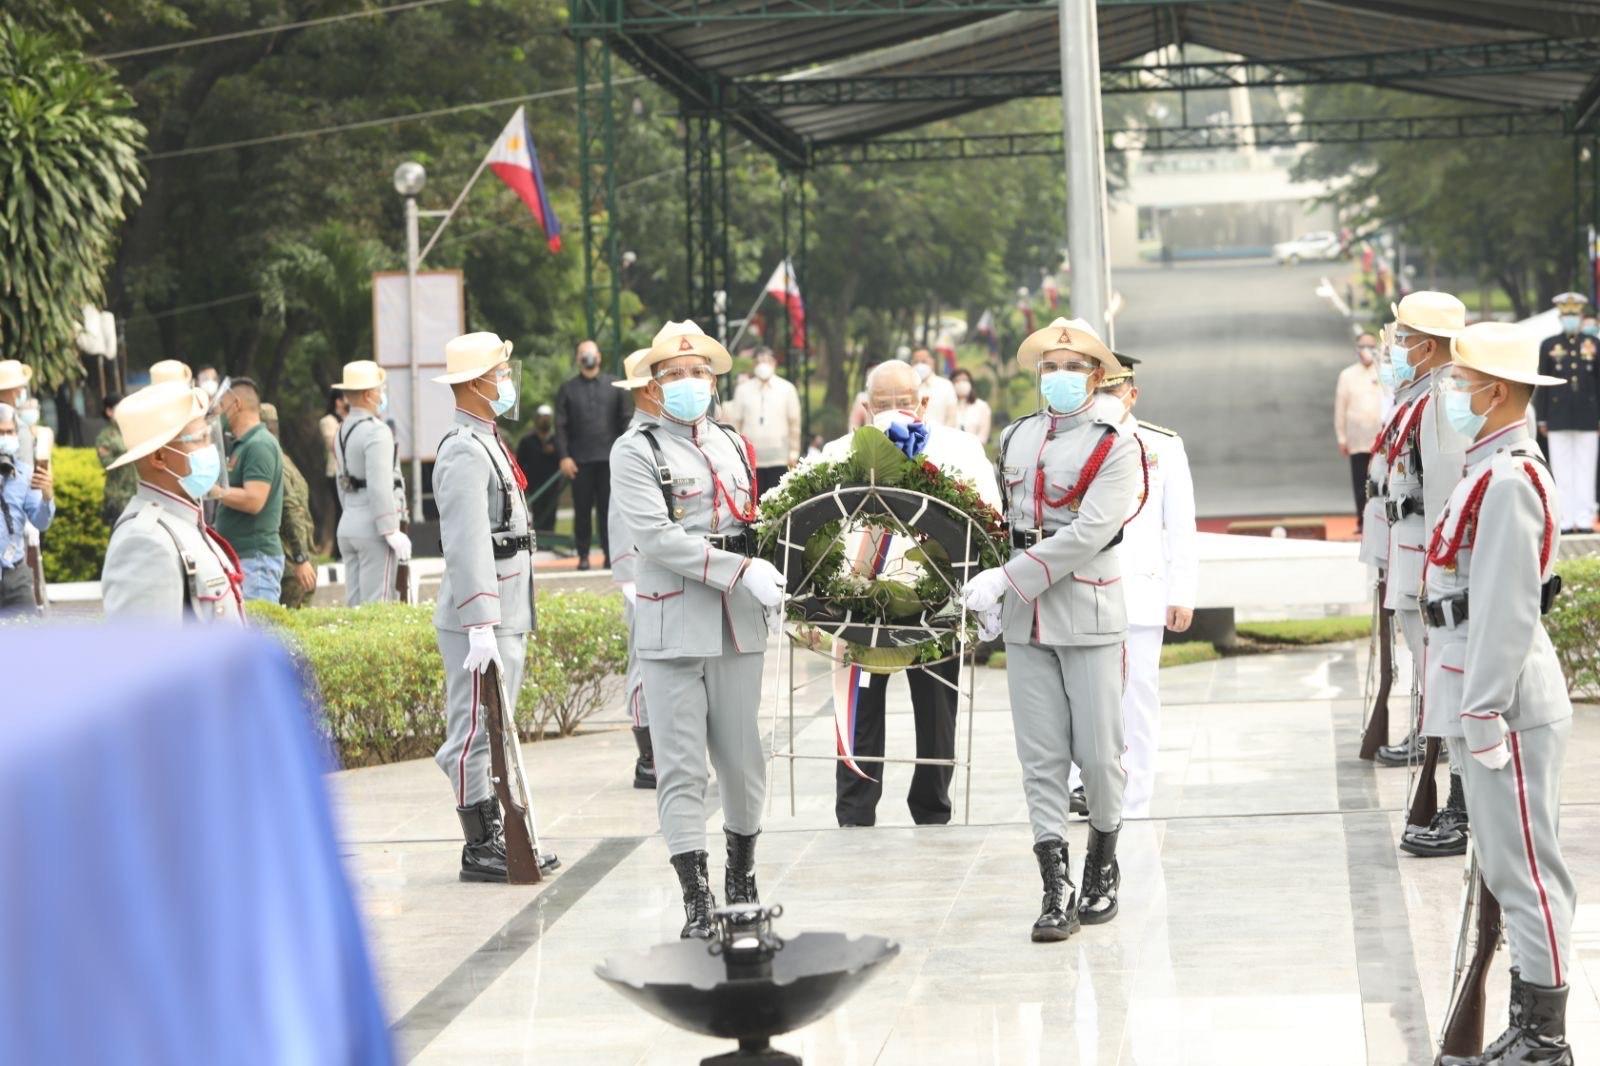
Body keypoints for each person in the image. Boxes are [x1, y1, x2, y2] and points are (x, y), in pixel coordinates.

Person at [960, 317, 1143, 942]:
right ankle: (1054, 886)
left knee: (1098, 754)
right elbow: (1006, 522)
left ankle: (1102, 863)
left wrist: (1008, 580)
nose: (1059, 377)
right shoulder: (1017, 436)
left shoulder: (1115, 442)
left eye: (1072, 367)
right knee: (1039, 758)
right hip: (1026, 621)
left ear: (1096, 375)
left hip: (1087, 610)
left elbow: (1091, 532)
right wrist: (985, 583)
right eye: (1049, 366)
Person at [1426, 322, 1575, 1066]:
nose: (1452, 392)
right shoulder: (1486, 467)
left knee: (1527, 871)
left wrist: (1481, 706)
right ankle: (1528, 1022)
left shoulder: (1508, 478)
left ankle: (1545, 1038)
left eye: (1462, 381)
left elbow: (1508, 607)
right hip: (1484, 688)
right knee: (1507, 865)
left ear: (1497, 390)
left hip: (1506, 698)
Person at [609, 320, 785, 939]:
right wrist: (741, 571)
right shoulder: (636, 451)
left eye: (698, 373)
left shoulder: (734, 444)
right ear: (653, 387)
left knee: (743, 761)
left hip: (738, 625)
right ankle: (695, 897)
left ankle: (742, 880)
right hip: (675, 620)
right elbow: (656, 538)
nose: (688, 383)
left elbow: (752, 520)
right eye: (674, 374)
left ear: (714, 381)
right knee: (682, 768)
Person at [814, 360, 1001, 827]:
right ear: (864, 407)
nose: (895, 411)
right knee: (860, 713)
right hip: (861, 607)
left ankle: (932, 805)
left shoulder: (961, 449)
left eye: (904, 402)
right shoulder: (838, 453)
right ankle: (855, 808)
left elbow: (989, 521)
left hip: (935, 608)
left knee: (938, 714)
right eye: (883, 404)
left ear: (923, 402)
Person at [431, 332, 556, 882]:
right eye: (501, 373)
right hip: (478, 616)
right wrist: (481, 621)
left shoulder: (486, 439)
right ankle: (479, 843)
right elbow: (466, 542)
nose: (508, 382)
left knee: (495, 726)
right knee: (473, 732)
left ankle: (496, 835)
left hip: (503, 608)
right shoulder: (462, 447)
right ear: (478, 383)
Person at [1067, 354, 1196, 820]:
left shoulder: (1162, 446)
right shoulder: (1070, 442)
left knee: (1137, 697)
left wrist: (1182, 591)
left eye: (1111, 393)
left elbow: (1180, 525)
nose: (1102, 402)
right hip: (1081, 588)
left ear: (1131, 394)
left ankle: (1135, 796)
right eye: (1095, 393)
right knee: (1079, 694)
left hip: (1140, 590)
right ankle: (1083, 784)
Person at [1383, 292, 1471, 859]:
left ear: (1429, 345)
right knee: (1441, 688)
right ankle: (1459, 804)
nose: (1395, 346)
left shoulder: (1443, 398)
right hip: (1416, 562)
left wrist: (1435, 572)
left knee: (1453, 692)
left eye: (1403, 337)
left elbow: (1442, 493)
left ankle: (1461, 810)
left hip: (1431, 568)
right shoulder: (1424, 395)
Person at [99, 382, 243, 623]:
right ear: (158, 457)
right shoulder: (145, 542)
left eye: (209, 437)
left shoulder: (184, 521)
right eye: (198, 440)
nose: (209, 450)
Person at [607, 349, 659, 790]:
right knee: (642, 664)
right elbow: (619, 514)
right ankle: (648, 756)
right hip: (642, 570)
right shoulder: (632, 443)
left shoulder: (664, 437)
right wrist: (625, 573)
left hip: (662, 569)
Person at [331, 361, 408, 606]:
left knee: (354, 607)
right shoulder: (377, 431)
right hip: (374, 526)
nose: (382, 394)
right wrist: (390, 529)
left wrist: (352, 510)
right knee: (379, 606)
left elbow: (341, 481)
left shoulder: (341, 430)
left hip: (349, 521)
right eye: (379, 389)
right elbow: (379, 485)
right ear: (368, 394)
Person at [555, 339, 630, 570]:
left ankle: (611, 556)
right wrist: (564, 456)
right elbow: (560, 426)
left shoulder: (616, 385)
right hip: (580, 461)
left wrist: (625, 454)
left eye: (591, 352)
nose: (588, 356)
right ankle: (584, 556)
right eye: (582, 353)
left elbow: (626, 420)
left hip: (610, 460)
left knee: (611, 512)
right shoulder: (567, 389)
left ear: (599, 357)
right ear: (578, 359)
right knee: (582, 511)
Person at [212, 379, 286, 603]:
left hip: (256, 560)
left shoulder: (259, 444)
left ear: (237, 404)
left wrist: (215, 491)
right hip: (242, 558)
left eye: (222, 405)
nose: (218, 412)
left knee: (257, 632)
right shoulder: (242, 444)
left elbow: (255, 501)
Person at [1535, 292, 1599, 534]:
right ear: (1561, 316)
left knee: (1586, 467)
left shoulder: (1593, 344)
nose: (1571, 318)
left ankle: (1583, 519)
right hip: (1557, 415)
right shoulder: (1549, 344)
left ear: (1581, 316)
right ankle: (1563, 519)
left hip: (1588, 415)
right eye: (1567, 315)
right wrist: (1542, 416)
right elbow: (1542, 383)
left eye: (1574, 314)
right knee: (1561, 469)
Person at [259, 403, 317, 609]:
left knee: (283, 633)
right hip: (298, 560)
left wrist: (301, 558)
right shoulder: (285, 460)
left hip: (290, 564)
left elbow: (291, 510)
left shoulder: (272, 463)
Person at [0, 401, 53, 617]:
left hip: (16, 575)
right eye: (0, 432)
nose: (6, 438)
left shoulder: (24, 474)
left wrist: (47, 496)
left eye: (10, 432)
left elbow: (41, 521)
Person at [725, 347, 801, 496]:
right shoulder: (743, 390)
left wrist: (794, 452)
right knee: (755, 502)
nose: (763, 364)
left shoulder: (787, 389)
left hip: (779, 457)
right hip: (751, 460)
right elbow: (736, 424)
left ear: (774, 363)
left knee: (779, 499)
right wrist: (737, 454)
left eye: (767, 360)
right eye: (759, 361)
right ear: (754, 365)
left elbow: (794, 423)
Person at [1335, 331, 1385, 532]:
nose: (1367, 351)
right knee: (1360, 481)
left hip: (1380, 437)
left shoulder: (1383, 373)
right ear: (1356, 350)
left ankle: (1380, 520)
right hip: (1357, 437)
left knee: (1381, 479)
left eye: (1371, 346)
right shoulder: (1347, 376)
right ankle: (1362, 520)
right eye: (1363, 346)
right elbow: (1340, 407)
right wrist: (1342, 437)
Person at [515, 404, 562, 534]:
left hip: (552, 484)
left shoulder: (557, 440)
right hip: (534, 484)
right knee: (536, 510)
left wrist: (554, 451)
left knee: (551, 512)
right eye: (542, 417)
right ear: (537, 419)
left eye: (547, 417)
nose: (545, 420)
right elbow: (520, 462)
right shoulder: (527, 440)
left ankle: (549, 539)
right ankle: (539, 538)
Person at [95, 393, 138, 528]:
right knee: (121, 533)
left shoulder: (135, 431)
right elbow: (107, 463)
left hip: (139, 493)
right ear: (109, 412)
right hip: (119, 496)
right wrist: (127, 454)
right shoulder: (105, 437)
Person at [319, 388, 349, 553]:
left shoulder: (348, 419)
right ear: (338, 401)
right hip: (335, 472)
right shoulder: (328, 421)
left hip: (348, 471)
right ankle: (338, 550)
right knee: (339, 509)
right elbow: (332, 445)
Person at [909, 348, 959, 428]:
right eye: (916, 362)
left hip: (940, 437)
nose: (919, 365)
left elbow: (951, 418)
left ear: (932, 362)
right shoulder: (908, 387)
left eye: (923, 361)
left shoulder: (945, 386)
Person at [0, 360, 35, 467]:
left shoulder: (18, 421)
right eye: (20, 387)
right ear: (12, 391)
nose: (21, 391)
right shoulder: (17, 426)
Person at [949, 367, 992, 444]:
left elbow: (983, 436)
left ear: (971, 384)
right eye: (957, 381)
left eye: (965, 380)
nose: (961, 383)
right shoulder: (948, 406)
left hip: (975, 451)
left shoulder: (982, 406)